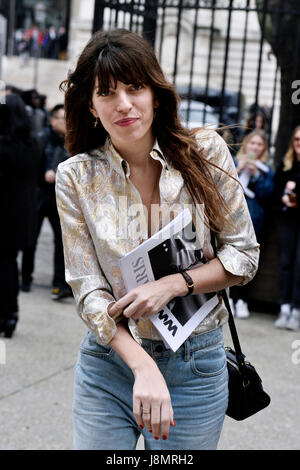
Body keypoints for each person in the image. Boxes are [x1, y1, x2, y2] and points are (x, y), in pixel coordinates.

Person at [56, 29, 259, 450]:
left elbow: (243, 254)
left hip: (195, 366)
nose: (124, 104)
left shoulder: (206, 151)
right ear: (92, 106)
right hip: (111, 361)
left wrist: (174, 284)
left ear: (156, 93)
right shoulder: (76, 176)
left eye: (135, 87)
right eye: (107, 93)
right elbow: (87, 288)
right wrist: (142, 365)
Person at [0, 94, 41, 338]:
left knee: (3, 266)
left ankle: (6, 314)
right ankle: (10, 312)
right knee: (9, 264)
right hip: (23, 215)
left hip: (3, 215)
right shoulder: (33, 144)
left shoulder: (4, 147)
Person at [21, 104, 71, 301]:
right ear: (53, 120)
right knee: (30, 240)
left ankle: (60, 282)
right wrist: (44, 175)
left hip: (59, 199)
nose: (66, 123)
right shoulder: (40, 140)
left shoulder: (72, 143)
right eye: (63, 118)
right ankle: (25, 278)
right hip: (40, 196)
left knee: (62, 242)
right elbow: (29, 169)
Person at [229, 129, 274, 318]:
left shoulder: (266, 170)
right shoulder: (233, 162)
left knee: (249, 261)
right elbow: (224, 187)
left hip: (254, 220)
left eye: (259, 144)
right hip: (232, 219)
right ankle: (229, 297)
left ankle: (242, 299)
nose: (254, 147)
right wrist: (238, 170)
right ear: (246, 144)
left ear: (263, 149)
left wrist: (256, 176)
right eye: (252, 143)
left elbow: (267, 195)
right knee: (229, 258)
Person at [273, 126, 300, 330]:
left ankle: (296, 310)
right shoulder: (286, 164)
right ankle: (284, 307)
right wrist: (284, 197)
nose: (299, 144)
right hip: (286, 219)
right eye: (297, 139)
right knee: (285, 262)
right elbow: (273, 193)